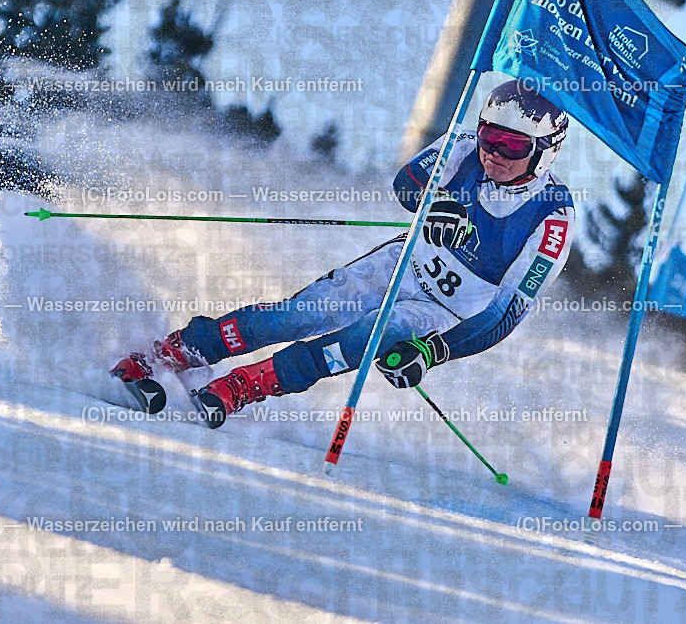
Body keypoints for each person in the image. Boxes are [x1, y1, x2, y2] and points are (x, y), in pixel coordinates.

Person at [112, 78, 575, 428]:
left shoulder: (551, 219)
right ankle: (171, 354)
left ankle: (246, 385)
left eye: (512, 145)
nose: (493, 152)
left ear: (545, 152)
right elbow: (407, 182)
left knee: (361, 342)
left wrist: (432, 352)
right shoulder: (463, 148)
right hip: (399, 266)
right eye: (489, 135)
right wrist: (435, 203)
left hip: (440, 311)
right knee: (293, 316)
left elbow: (503, 316)